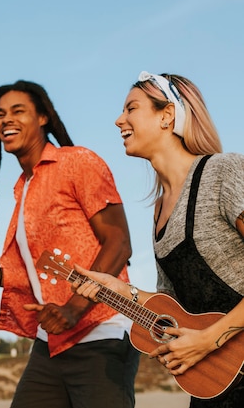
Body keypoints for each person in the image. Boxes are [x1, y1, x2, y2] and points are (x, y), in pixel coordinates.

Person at [0, 80, 140, 408]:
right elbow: (35, 273)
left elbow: (119, 242)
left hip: (101, 333)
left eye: (19, 111)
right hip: (51, 344)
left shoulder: (77, 162)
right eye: (0, 114)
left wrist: (74, 308)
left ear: (43, 117)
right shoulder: (23, 187)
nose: (6, 120)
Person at [73, 71, 244, 408]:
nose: (118, 119)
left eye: (131, 108)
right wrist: (120, 290)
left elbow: (204, 333)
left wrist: (209, 340)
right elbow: (173, 306)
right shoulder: (159, 212)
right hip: (217, 385)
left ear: (167, 116)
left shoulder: (224, 172)